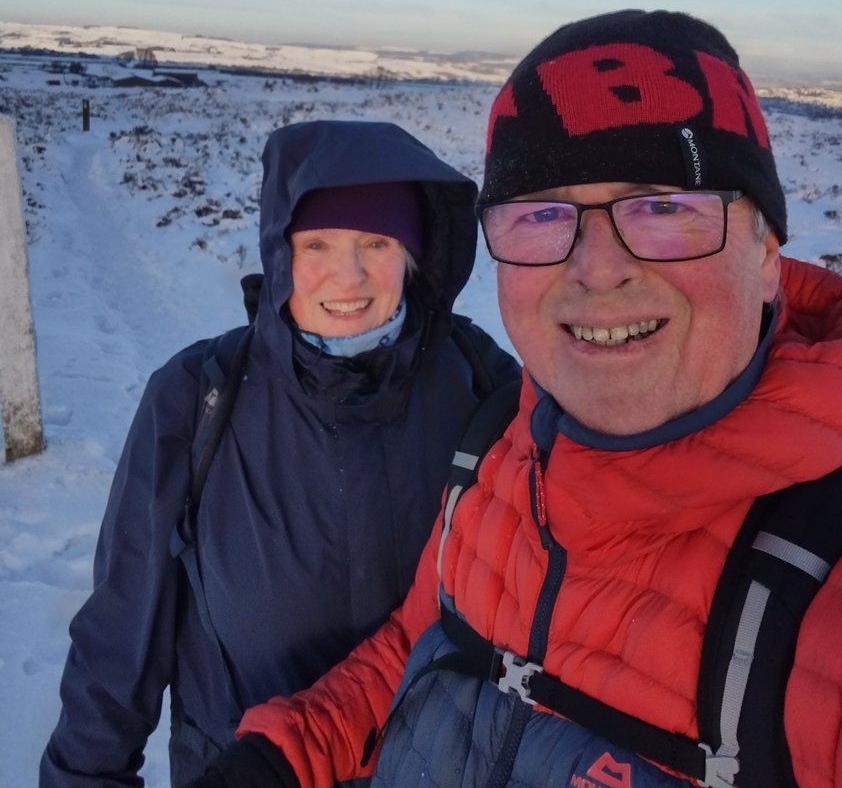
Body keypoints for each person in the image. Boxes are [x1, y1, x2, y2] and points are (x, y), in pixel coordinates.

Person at [185, 10, 842, 788]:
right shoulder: (498, 449)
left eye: (663, 207)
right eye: (543, 214)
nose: (596, 269)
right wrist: (285, 753)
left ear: (764, 255)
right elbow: (423, 641)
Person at [40, 118, 521, 788]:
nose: (347, 275)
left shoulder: (484, 386)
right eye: (317, 242)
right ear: (278, 251)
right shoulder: (195, 399)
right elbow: (120, 641)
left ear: (414, 255)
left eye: (377, 242)